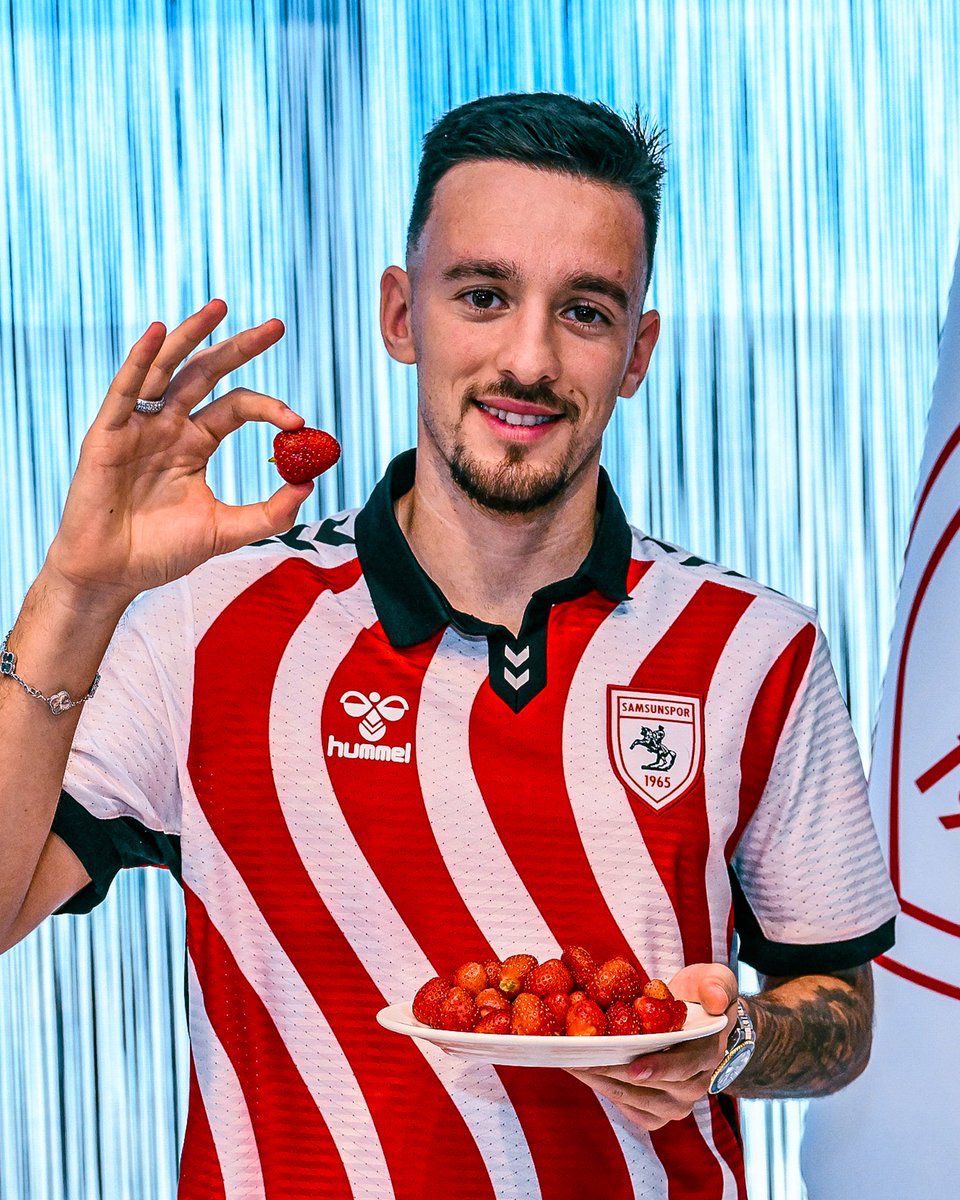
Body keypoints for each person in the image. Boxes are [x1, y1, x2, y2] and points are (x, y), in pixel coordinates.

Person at [0, 92, 898, 1199]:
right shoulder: (210, 625)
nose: (528, 359)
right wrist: (76, 591)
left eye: (585, 311)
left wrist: (738, 1040)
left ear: (637, 351)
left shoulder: (757, 649)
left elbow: (841, 1015)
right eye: (483, 295)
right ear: (400, 313)